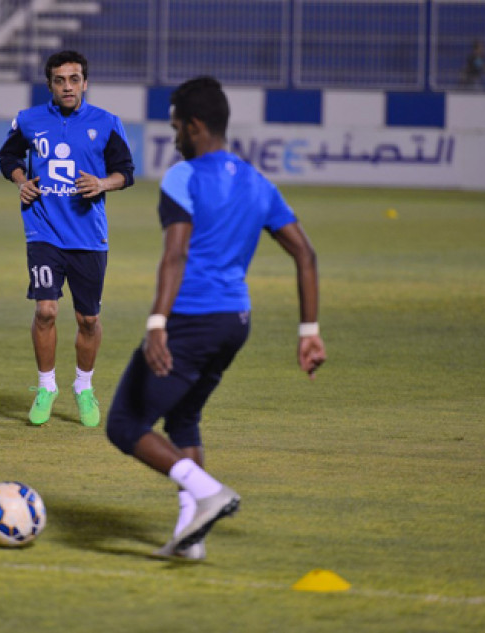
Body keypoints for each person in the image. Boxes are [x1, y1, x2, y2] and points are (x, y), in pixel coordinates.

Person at [105, 76, 326, 560]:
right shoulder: (258, 182)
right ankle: (191, 538)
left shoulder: (183, 178)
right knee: (183, 419)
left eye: (176, 128)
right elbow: (305, 255)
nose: (174, 137)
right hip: (234, 323)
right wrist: (308, 331)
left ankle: (207, 493)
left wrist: (157, 323)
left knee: (124, 423)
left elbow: (175, 255)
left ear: (196, 126)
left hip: (191, 318)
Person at [0, 50, 135, 428]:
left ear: (85, 83)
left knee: (88, 319)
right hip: (43, 230)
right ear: (50, 86)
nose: (68, 87)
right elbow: (7, 157)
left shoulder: (106, 124)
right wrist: (22, 182)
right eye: (60, 81)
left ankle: (84, 387)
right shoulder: (29, 120)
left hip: (89, 236)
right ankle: (46, 387)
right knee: (46, 310)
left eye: (74, 79)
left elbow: (126, 172)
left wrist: (103, 183)